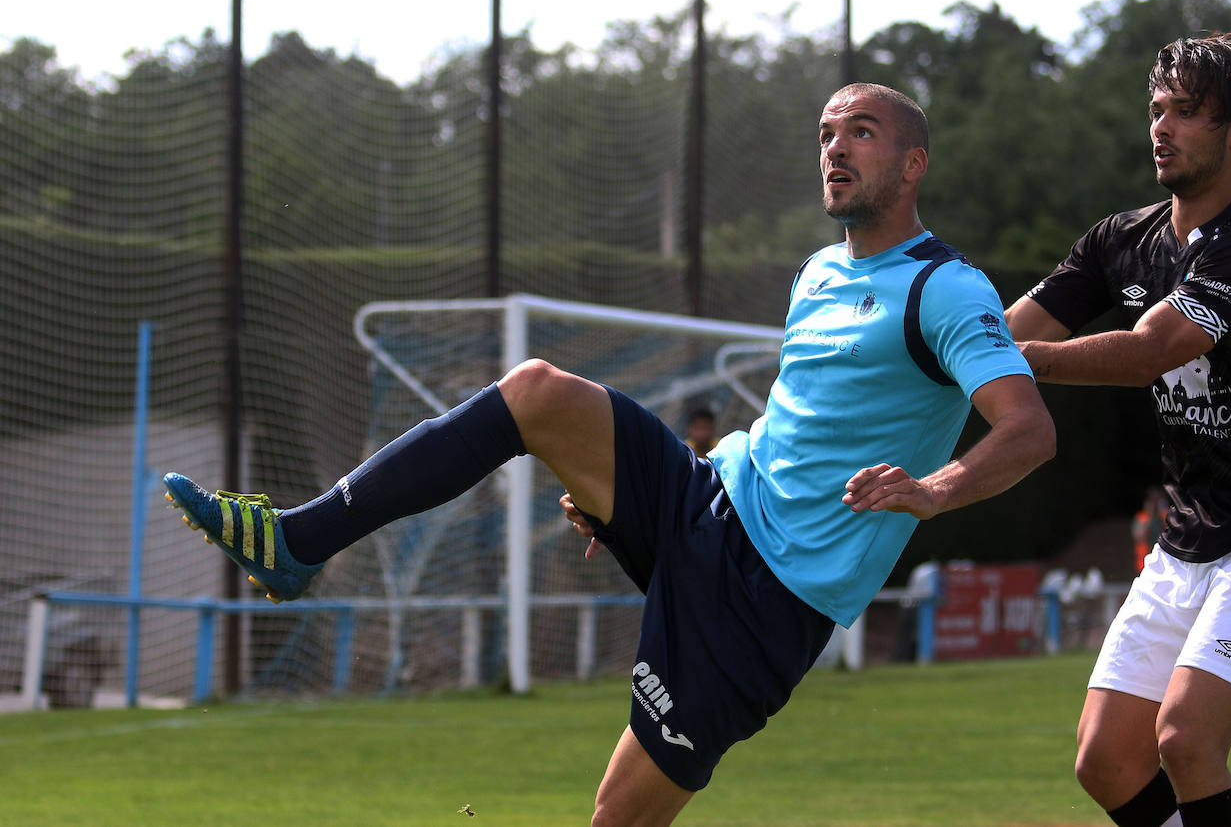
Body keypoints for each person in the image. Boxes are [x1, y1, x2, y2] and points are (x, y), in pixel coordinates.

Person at [163, 82, 1054, 827]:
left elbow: (1027, 429)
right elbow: (803, 423)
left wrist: (934, 490)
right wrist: (619, 493)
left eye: (861, 132)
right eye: (825, 132)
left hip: (764, 602)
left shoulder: (946, 289)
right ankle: (297, 542)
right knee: (539, 392)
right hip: (710, 500)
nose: (835, 147)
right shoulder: (818, 273)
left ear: (912, 164)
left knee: (616, 822)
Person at [1004, 31, 1231, 827]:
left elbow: (1149, 352)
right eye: (1157, 109)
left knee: (1186, 739)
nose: (1160, 126)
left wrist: (1016, 361)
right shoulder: (1118, 240)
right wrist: (920, 346)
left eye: (1187, 112)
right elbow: (1006, 329)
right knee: (1104, 759)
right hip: (1186, 543)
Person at [1131, 486, 1169, 574]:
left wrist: (1163, 515)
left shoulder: (1167, 517)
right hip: (1144, 565)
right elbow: (1139, 537)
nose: (1155, 504)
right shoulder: (1142, 518)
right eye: (1152, 501)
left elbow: (1174, 535)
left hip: (1165, 564)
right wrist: (1149, 516)